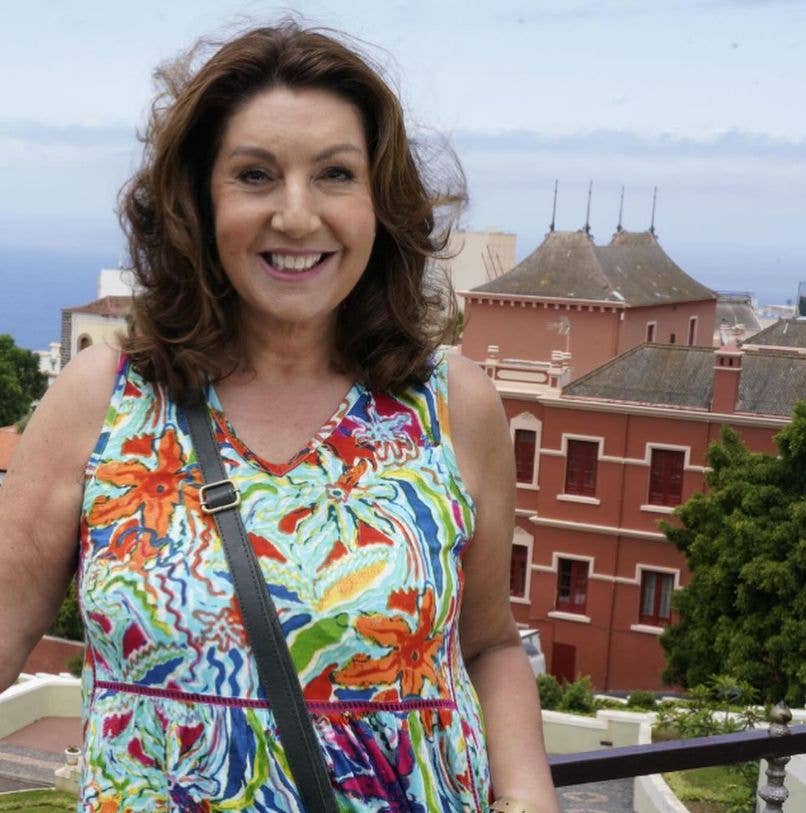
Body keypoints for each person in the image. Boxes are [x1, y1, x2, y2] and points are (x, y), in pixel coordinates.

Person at [0, 23, 559, 813]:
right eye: (256, 175)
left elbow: (490, 641)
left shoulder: (450, 405)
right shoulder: (105, 400)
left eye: (334, 174)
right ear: (201, 200)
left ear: (378, 200)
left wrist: (530, 793)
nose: (297, 217)